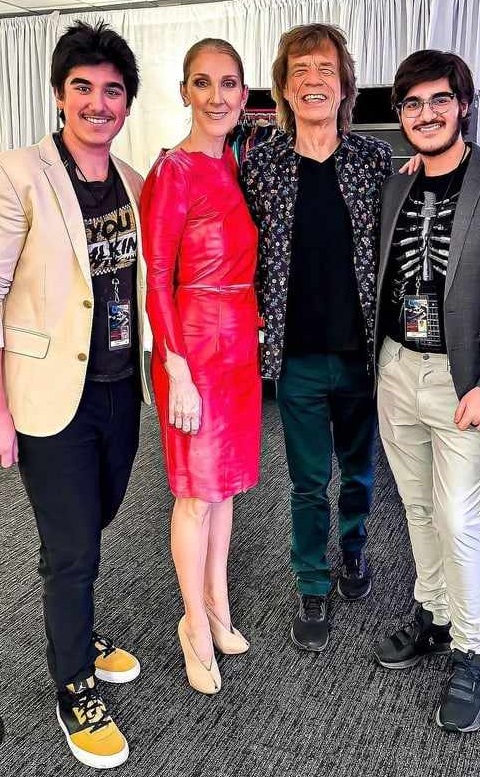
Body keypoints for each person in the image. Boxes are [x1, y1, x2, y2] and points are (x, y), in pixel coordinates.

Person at [0, 21, 148, 769]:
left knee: (98, 518)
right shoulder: (18, 172)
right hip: (50, 391)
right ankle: (74, 685)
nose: (97, 102)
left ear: (127, 102)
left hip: (121, 387)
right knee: (71, 547)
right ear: (59, 95)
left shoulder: (134, 182)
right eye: (82, 87)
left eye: (112, 90)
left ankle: (75, 627)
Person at [370, 50, 480, 733]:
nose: (426, 114)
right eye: (412, 103)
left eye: (440, 100)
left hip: (465, 379)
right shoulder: (396, 184)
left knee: (460, 518)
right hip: (396, 366)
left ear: (464, 105)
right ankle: (433, 613)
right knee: (414, 505)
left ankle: (473, 646)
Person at [244, 23, 392, 652]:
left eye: (325, 70)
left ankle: (354, 549)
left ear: (344, 87)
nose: (312, 81)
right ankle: (311, 580)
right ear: (284, 88)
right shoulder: (262, 167)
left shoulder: (373, 161)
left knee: (358, 472)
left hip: (361, 355)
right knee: (307, 481)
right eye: (299, 71)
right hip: (297, 357)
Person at [140, 39, 260, 694]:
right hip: (193, 347)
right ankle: (192, 623)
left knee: (226, 488)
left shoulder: (236, 162)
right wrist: (177, 367)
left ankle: (217, 606)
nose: (217, 96)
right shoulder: (174, 169)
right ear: (184, 90)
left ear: (244, 93)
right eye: (203, 82)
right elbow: (157, 276)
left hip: (237, 345)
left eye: (229, 83)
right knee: (194, 494)